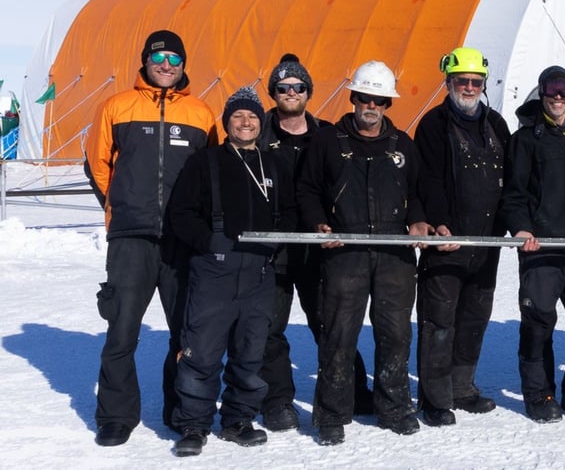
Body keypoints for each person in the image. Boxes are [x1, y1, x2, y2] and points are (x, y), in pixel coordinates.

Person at [84, 30, 218, 447]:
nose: (166, 65)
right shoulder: (117, 106)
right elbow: (98, 164)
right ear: (144, 61)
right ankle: (116, 415)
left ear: (183, 65)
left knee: (185, 331)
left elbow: (210, 174)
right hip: (131, 237)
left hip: (181, 240)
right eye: (159, 57)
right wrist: (122, 203)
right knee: (122, 330)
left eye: (174, 59)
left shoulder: (201, 113)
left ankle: (180, 411)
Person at [296, 60, 430, 445]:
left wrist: (419, 221)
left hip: (394, 252)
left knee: (395, 334)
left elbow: (417, 192)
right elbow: (306, 189)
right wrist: (319, 223)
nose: (371, 106)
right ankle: (332, 414)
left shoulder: (403, 144)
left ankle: (395, 408)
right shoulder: (327, 141)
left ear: (388, 104)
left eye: (380, 100)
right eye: (365, 98)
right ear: (353, 98)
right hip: (345, 249)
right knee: (339, 334)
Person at [167, 87, 297, 456]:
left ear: (261, 122)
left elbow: (289, 211)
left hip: (259, 271)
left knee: (250, 352)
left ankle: (239, 419)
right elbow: (181, 214)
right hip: (215, 271)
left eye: (252, 117)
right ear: (227, 123)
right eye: (238, 116)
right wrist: (208, 242)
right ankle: (193, 424)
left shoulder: (273, 165)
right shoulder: (205, 163)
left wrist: (276, 242)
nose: (245, 122)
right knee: (201, 352)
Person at [256, 54, 373, 432]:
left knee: (331, 323)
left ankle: (351, 389)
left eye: (298, 87)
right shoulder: (257, 136)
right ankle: (277, 401)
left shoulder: (326, 136)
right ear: (273, 93)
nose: (291, 92)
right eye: (283, 87)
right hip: (271, 250)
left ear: (309, 92)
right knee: (269, 328)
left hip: (318, 247)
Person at [500, 65, 565, 423]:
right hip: (541, 248)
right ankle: (539, 393)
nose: (558, 97)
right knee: (538, 321)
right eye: (552, 89)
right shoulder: (526, 138)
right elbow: (513, 194)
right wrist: (521, 229)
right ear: (541, 92)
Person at [414, 47, 511, 426]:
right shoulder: (433, 125)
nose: (469, 88)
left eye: (475, 82)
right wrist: (439, 223)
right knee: (439, 320)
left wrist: (507, 226)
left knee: (474, 317)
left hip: (485, 242)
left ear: (483, 84)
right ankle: (435, 398)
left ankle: (462, 387)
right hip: (447, 240)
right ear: (448, 82)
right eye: (461, 82)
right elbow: (428, 180)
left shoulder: (497, 125)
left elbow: (510, 181)